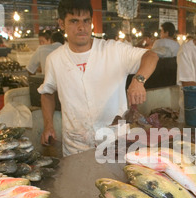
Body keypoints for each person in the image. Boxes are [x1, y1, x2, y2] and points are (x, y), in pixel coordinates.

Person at [38, 0, 158, 156]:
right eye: (74, 21)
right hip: (76, 147)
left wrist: (138, 80)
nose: (82, 27)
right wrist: (48, 125)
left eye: (86, 21)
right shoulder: (54, 59)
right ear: (61, 23)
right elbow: (47, 93)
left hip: (116, 143)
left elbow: (151, 56)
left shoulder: (113, 50)